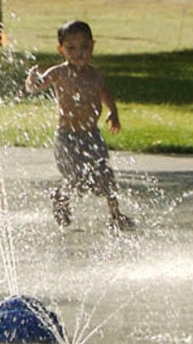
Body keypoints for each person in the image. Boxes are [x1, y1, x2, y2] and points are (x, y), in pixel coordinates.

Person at [25, 19, 134, 232]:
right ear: (61, 50)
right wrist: (32, 80)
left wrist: (113, 111)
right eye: (71, 48)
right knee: (76, 178)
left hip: (92, 135)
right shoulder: (58, 73)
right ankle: (60, 197)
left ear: (92, 46)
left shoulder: (95, 73)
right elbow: (36, 87)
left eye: (84, 47)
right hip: (67, 137)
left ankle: (115, 215)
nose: (78, 53)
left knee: (106, 175)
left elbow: (104, 92)